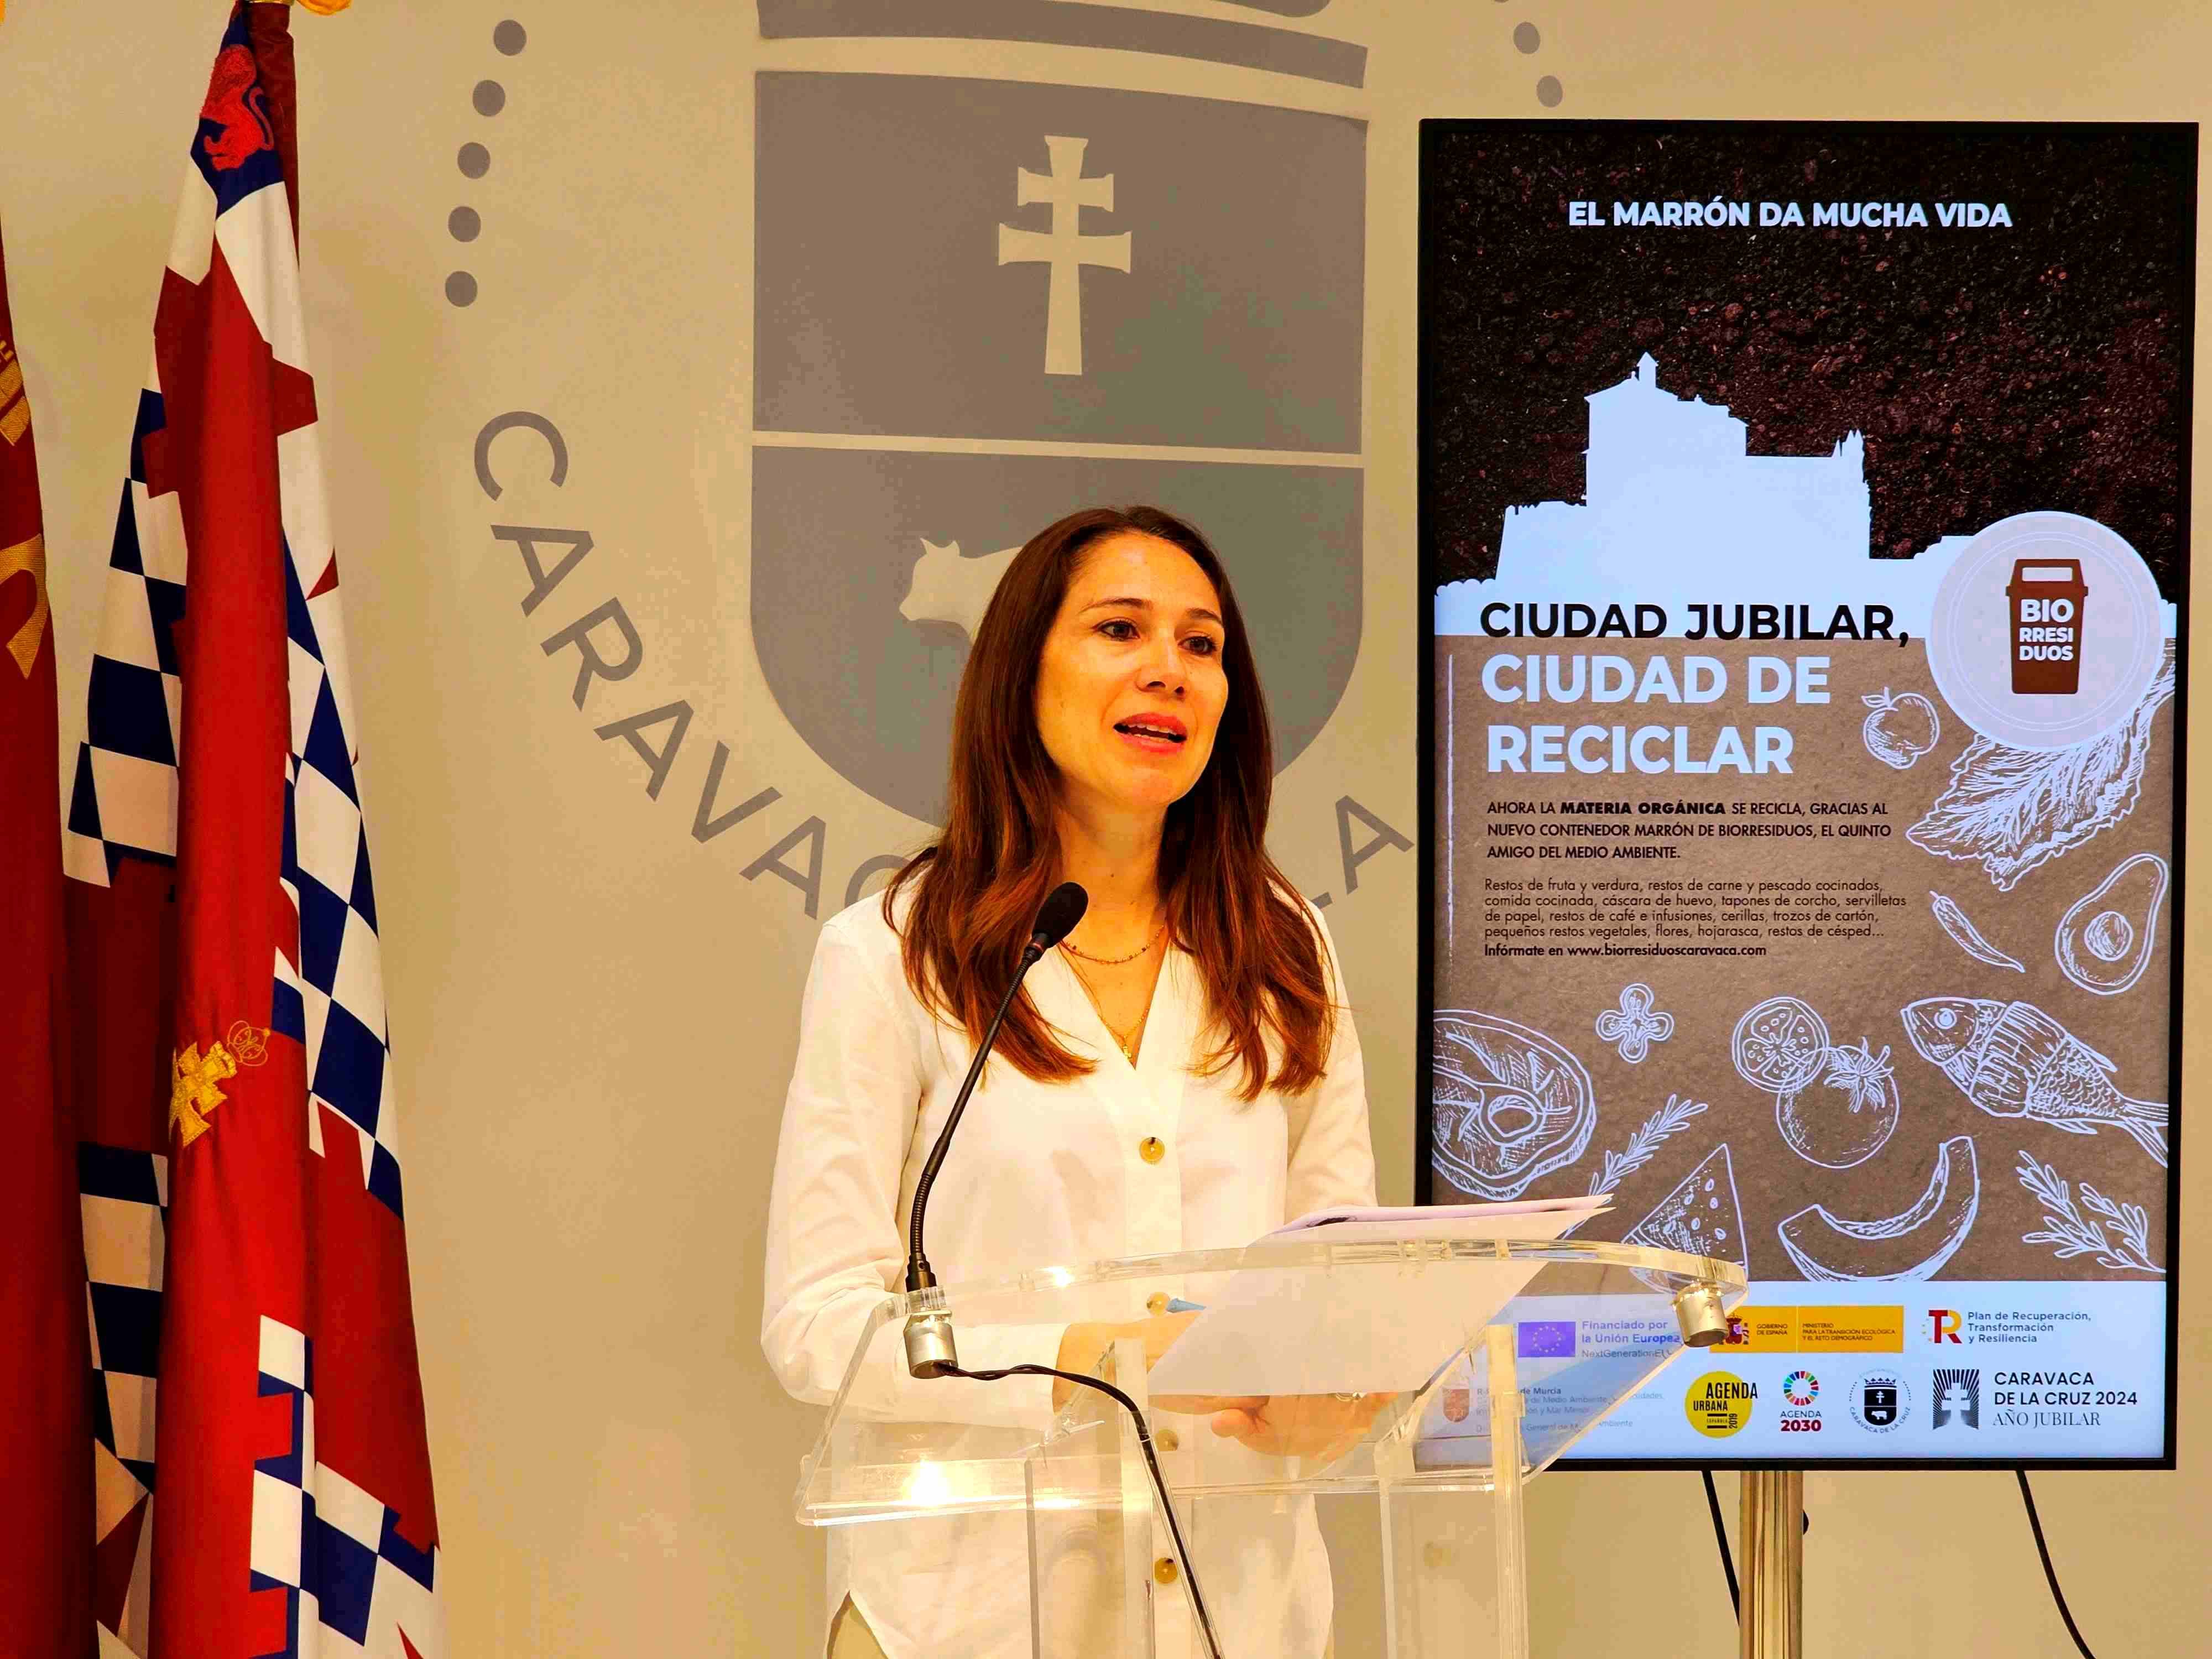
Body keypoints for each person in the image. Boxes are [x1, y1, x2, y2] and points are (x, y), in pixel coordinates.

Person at [761, 505, 1378, 1658]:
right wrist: (1081, 1361)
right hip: (968, 1618)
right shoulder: (891, 953)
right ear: (1018, 674)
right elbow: (815, 1325)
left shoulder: (1286, 948)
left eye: (1202, 646)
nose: (1169, 671)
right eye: (1118, 629)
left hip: (1234, 1613)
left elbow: (1333, 1269)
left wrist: (1331, 1393)